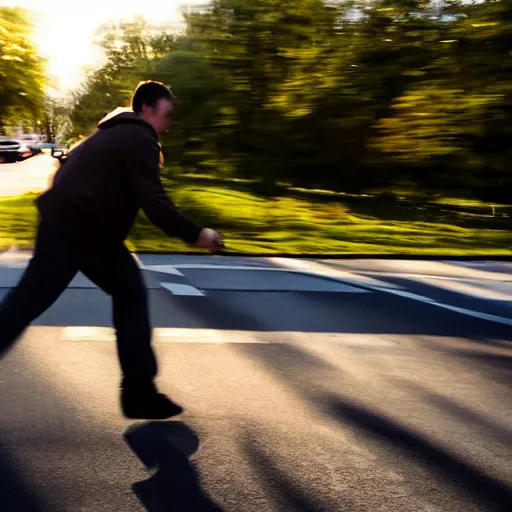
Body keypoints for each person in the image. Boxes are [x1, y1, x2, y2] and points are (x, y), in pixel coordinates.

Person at [0, 80, 224, 419]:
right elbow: (154, 202)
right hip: (75, 231)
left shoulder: (111, 132)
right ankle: (138, 392)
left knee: (127, 290)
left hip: (85, 231)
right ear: (147, 109)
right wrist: (197, 234)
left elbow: (66, 169)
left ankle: (139, 392)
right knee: (26, 303)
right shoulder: (139, 136)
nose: (169, 123)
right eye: (167, 114)